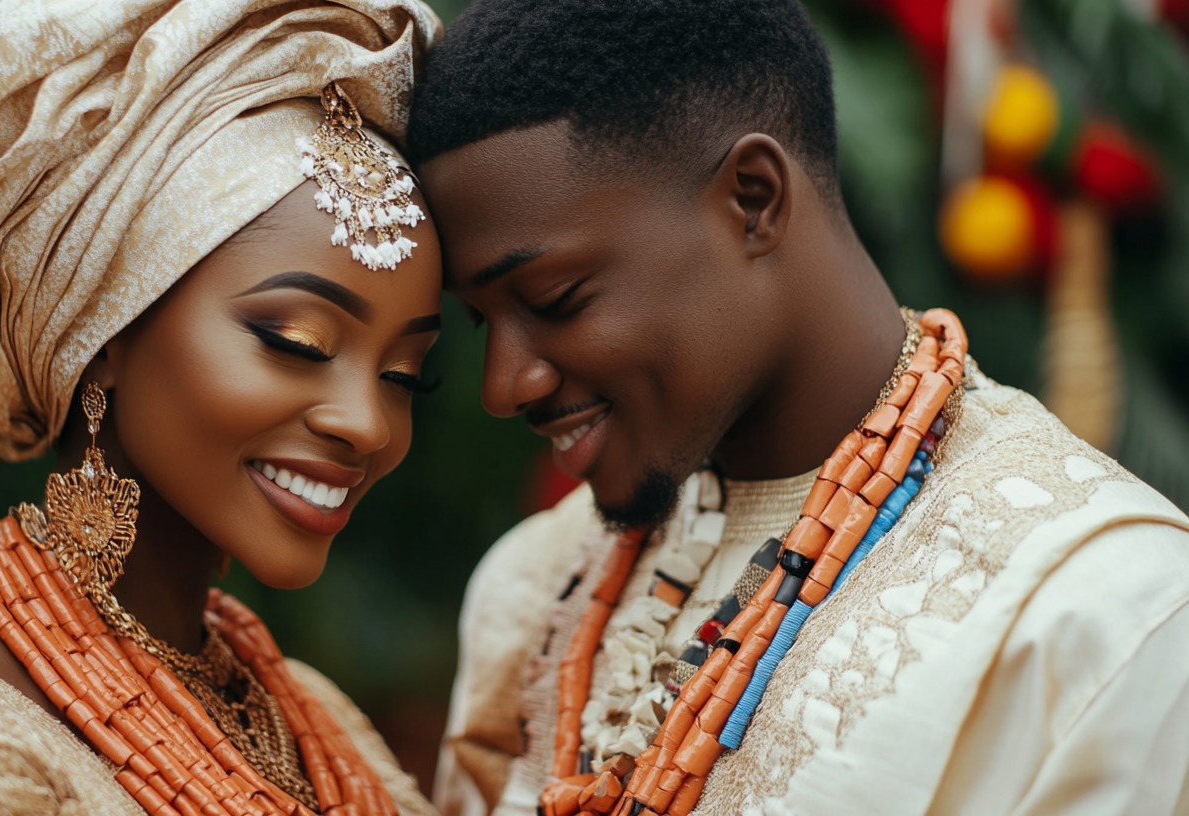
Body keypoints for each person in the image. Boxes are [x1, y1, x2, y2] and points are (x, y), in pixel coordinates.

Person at [405, 1, 1189, 814]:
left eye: (555, 299)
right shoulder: (532, 595)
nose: (504, 386)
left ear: (753, 198)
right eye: (478, 321)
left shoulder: (1101, 615)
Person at [0, 1, 443, 814]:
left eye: (406, 375)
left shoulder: (313, 719)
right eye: (298, 343)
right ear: (100, 334)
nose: (369, 423)